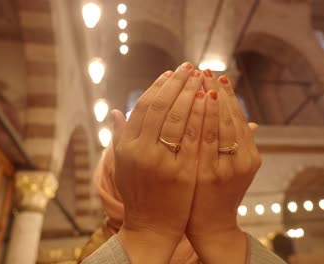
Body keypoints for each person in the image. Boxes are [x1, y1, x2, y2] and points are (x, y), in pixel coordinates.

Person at [81, 62, 285, 264]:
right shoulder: (97, 246)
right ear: (112, 179)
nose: (173, 175)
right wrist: (147, 231)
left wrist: (219, 232)